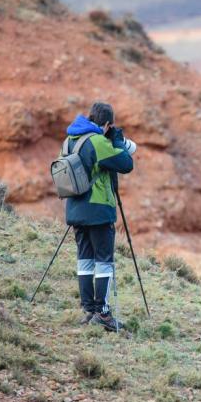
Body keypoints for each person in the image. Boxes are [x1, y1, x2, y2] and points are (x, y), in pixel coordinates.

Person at [63, 102, 135, 331]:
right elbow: (126, 163)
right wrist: (116, 140)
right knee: (104, 261)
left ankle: (88, 310)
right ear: (106, 124)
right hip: (98, 210)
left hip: (75, 208)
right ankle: (102, 313)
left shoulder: (69, 140)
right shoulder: (98, 141)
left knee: (84, 259)